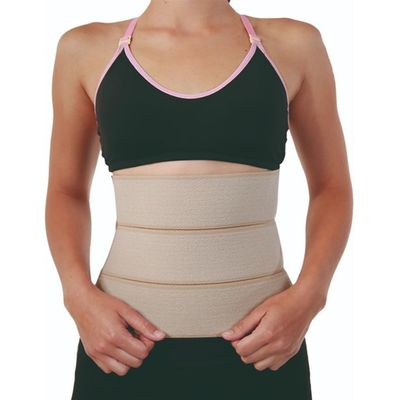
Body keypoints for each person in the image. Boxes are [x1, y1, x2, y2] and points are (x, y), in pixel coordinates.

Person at [45, 0, 353, 399]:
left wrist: (310, 296)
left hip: (265, 347)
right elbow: (66, 191)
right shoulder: (86, 49)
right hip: (121, 347)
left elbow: (332, 187)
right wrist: (78, 297)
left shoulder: (293, 45)